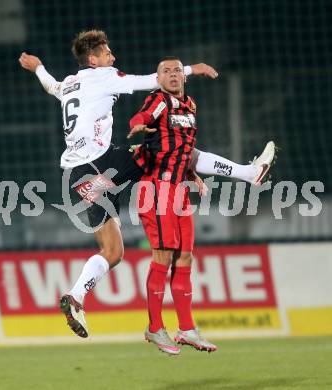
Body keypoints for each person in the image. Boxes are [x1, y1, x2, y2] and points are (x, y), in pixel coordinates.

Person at [18, 29, 275, 339]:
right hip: (100, 163)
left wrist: (38, 68)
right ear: (93, 60)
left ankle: (76, 296)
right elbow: (150, 80)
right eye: (107, 52)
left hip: (75, 174)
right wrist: (191, 69)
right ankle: (249, 173)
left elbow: (50, 86)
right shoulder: (104, 75)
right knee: (173, 148)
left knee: (112, 252)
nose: (112, 56)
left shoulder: (70, 83)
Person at [128, 57, 217, 355]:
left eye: (177, 70)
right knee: (163, 256)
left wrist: (193, 176)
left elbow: (182, 149)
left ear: (185, 76)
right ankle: (154, 328)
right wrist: (138, 125)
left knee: (185, 257)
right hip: (157, 188)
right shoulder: (159, 101)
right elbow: (142, 116)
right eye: (166, 71)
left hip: (178, 190)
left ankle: (187, 328)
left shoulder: (190, 106)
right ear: (158, 78)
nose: (173, 75)